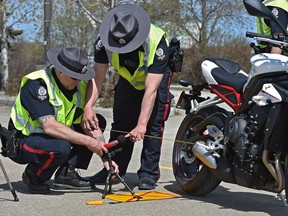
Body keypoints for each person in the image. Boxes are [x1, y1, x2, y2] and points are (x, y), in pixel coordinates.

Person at [83, 4, 173, 190]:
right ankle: (115, 168)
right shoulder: (103, 42)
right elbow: (97, 78)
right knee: (121, 122)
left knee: (153, 125)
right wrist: (89, 106)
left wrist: (141, 124)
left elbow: (151, 90)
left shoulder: (157, 43)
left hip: (154, 80)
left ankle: (148, 173)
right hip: (128, 79)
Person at [7, 46, 118, 194]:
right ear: (61, 72)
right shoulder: (37, 84)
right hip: (23, 142)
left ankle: (67, 174)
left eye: (81, 78)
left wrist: (105, 156)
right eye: (75, 77)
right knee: (61, 147)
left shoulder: (79, 86)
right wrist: (90, 142)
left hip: (53, 136)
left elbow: (89, 126)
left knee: (97, 121)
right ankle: (34, 177)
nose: (79, 82)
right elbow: (50, 126)